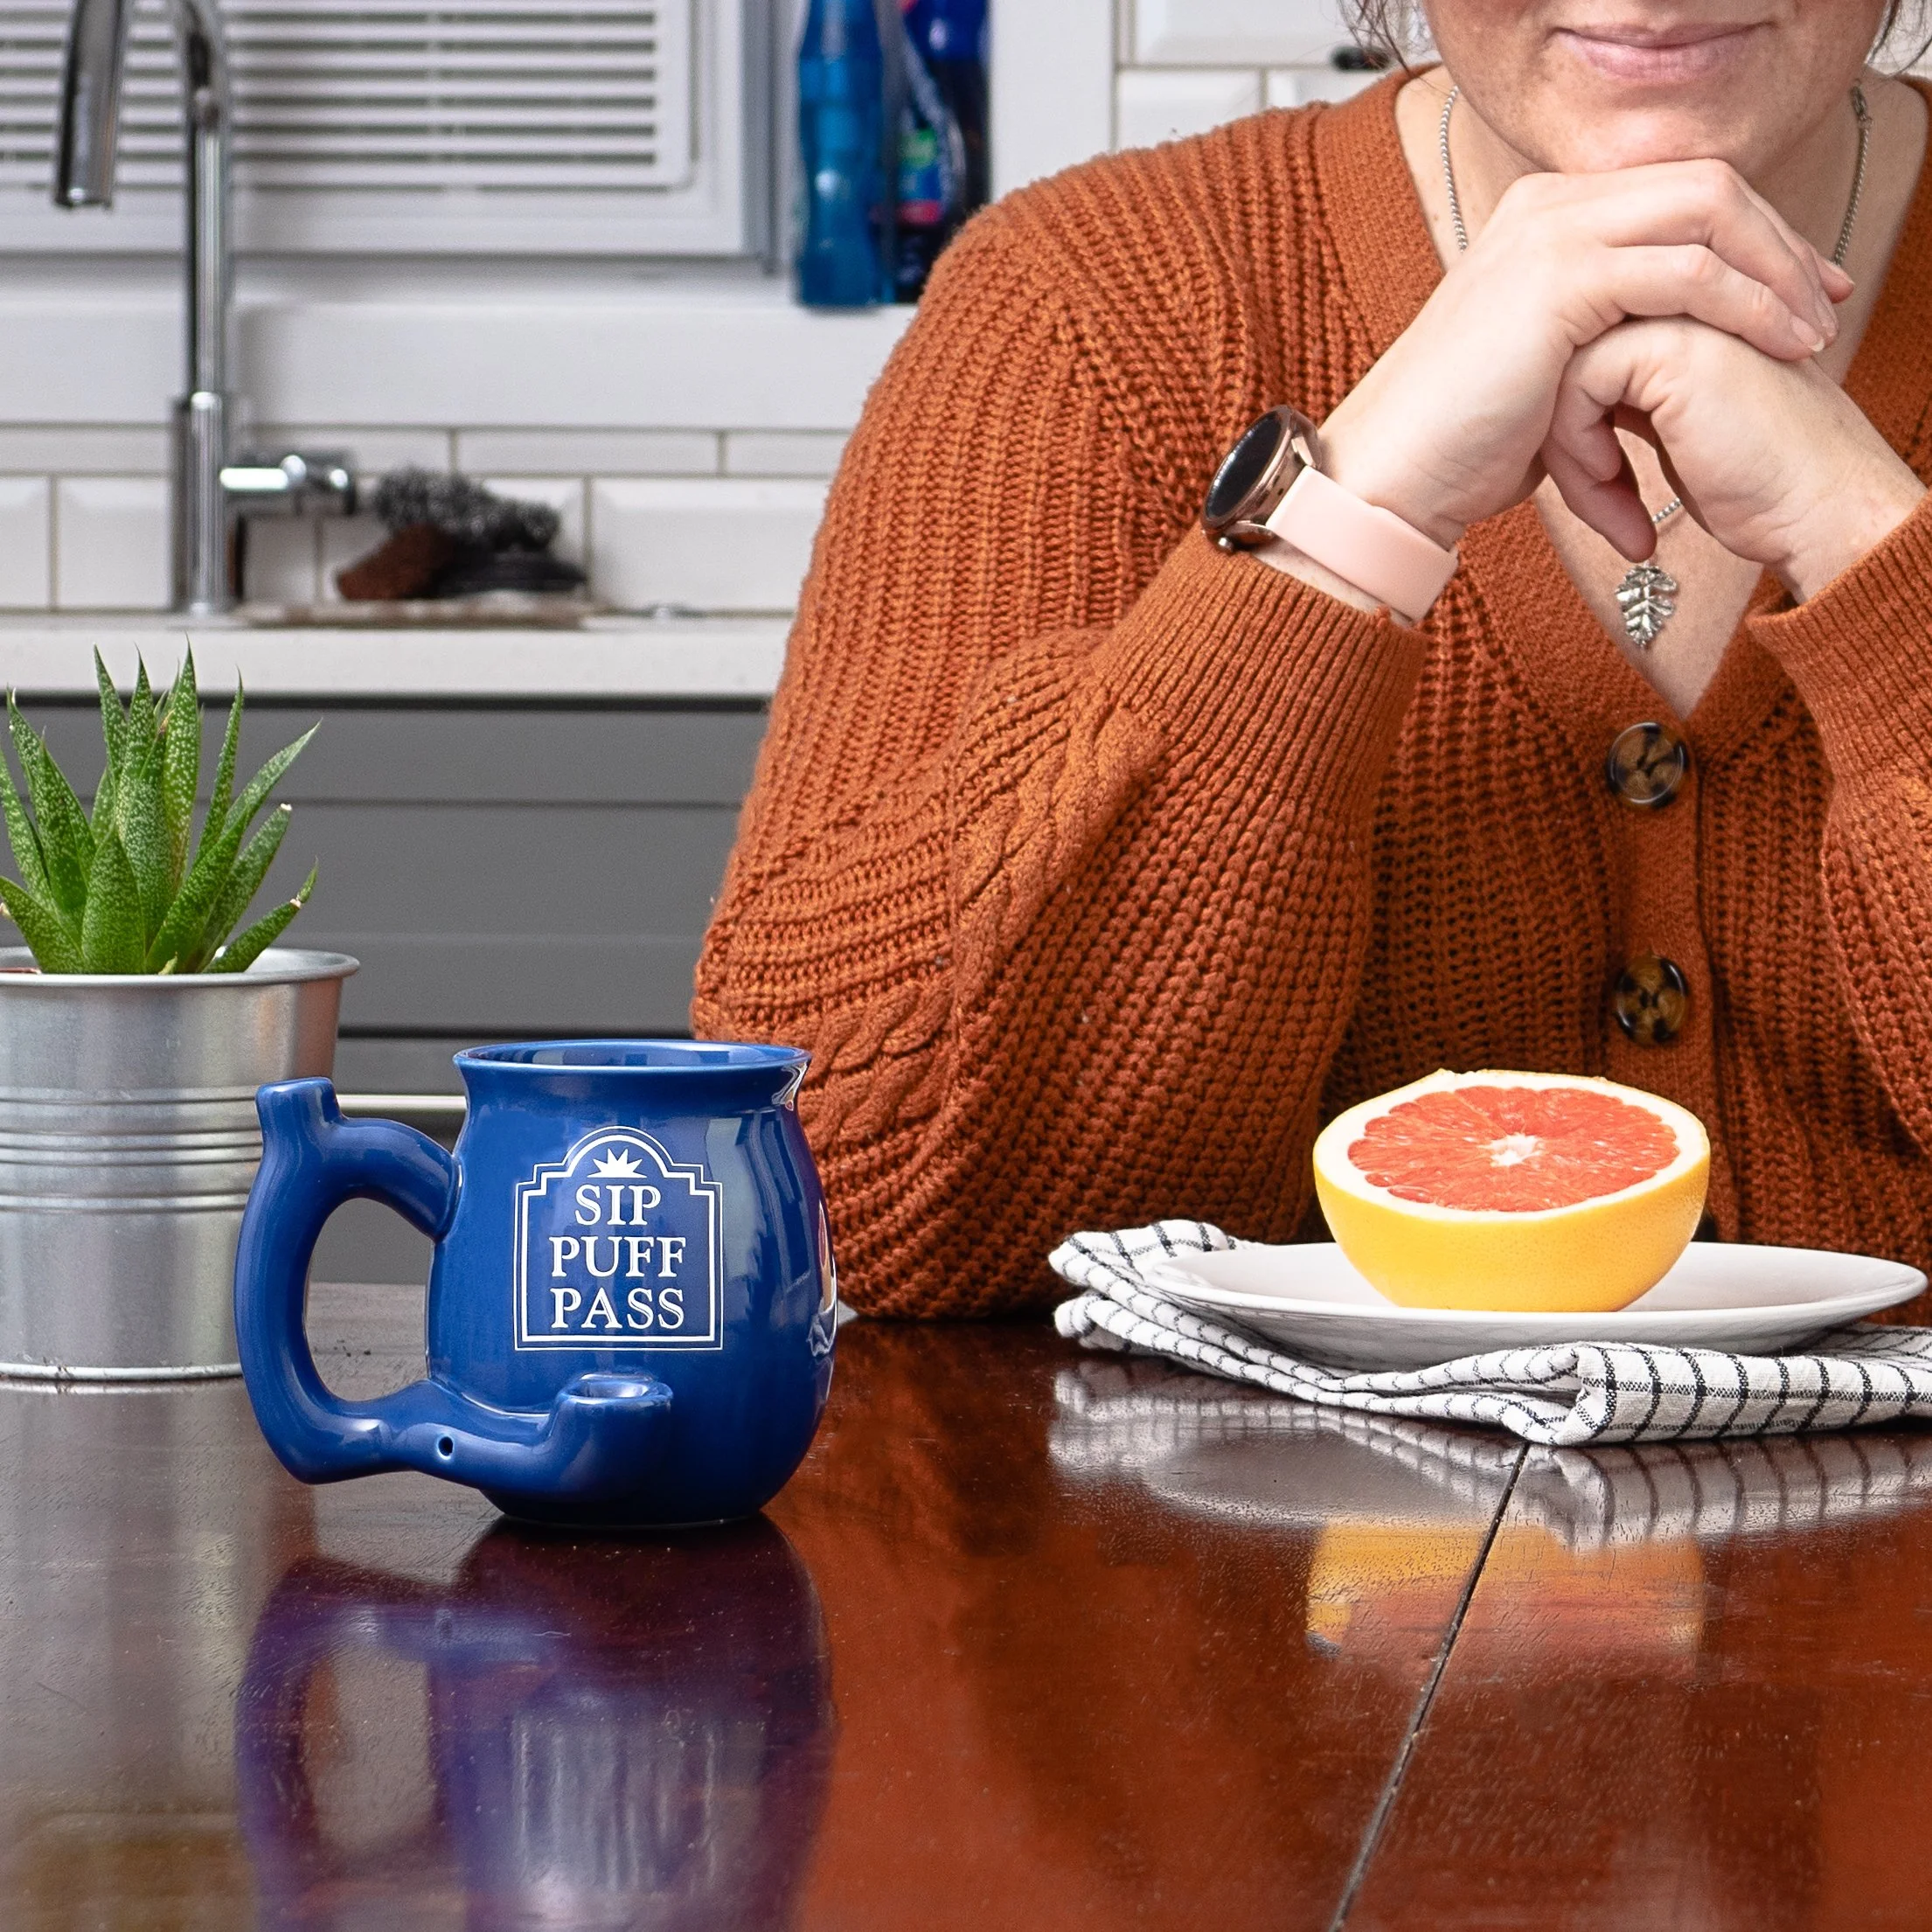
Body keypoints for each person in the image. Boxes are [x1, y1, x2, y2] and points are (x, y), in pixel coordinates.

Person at [696, 2, 1932, 1317]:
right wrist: (1347, 516)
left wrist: (1863, 535)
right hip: (1204, 1467)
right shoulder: (1084, 304)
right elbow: (852, 1191)